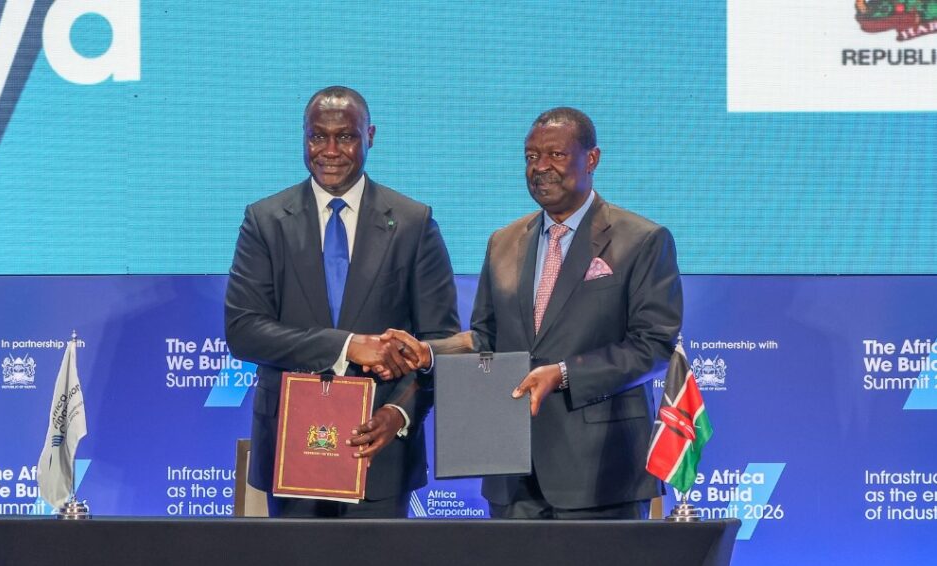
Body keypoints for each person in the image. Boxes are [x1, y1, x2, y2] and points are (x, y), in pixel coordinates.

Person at [386, 107, 682, 519]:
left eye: (556, 155)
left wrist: (563, 374)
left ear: (592, 159)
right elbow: (486, 338)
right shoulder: (504, 242)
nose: (541, 167)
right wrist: (430, 353)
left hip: (599, 475)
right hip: (511, 473)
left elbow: (654, 347)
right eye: (530, 157)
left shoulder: (642, 240)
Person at [224, 86, 459, 518]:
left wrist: (399, 415)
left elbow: (438, 347)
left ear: (370, 135)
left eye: (346, 136)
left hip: (380, 454)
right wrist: (347, 345)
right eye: (317, 136)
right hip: (291, 451)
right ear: (303, 137)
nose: (330, 150)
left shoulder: (412, 223)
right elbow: (243, 331)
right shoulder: (265, 221)